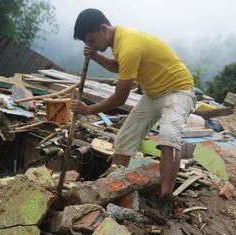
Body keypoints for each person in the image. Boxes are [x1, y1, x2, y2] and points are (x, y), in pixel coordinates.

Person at [71, 8, 195, 213]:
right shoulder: (119, 40)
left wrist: (87, 109)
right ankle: (114, 188)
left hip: (179, 90)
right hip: (154, 94)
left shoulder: (129, 45)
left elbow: (120, 98)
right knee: (124, 139)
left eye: (92, 41)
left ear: (103, 29)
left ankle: (166, 199)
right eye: (88, 43)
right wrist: (95, 55)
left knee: (168, 136)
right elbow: (118, 67)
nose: (90, 45)